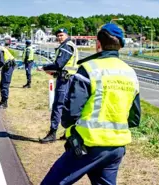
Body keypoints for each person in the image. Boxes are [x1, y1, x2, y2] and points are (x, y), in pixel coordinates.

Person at [41, 23, 141, 185]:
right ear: (120, 46)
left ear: (98, 44)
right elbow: (135, 118)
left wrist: (71, 130)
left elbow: (71, 113)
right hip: (116, 147)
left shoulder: (89, 68)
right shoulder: (130, 73)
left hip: (88, 144)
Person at [39, 28, 79, 144]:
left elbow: (59, 64)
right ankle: (69, 133)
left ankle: (52, 133)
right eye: (58, 35)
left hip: (65, 79)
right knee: (68, 106)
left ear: (66, 35)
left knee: (58, 105)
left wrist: (44, 67)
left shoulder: (66, 46)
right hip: (69, 78)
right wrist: (55, 72)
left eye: (61, 35)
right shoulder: (70, 45)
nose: (59, 37)